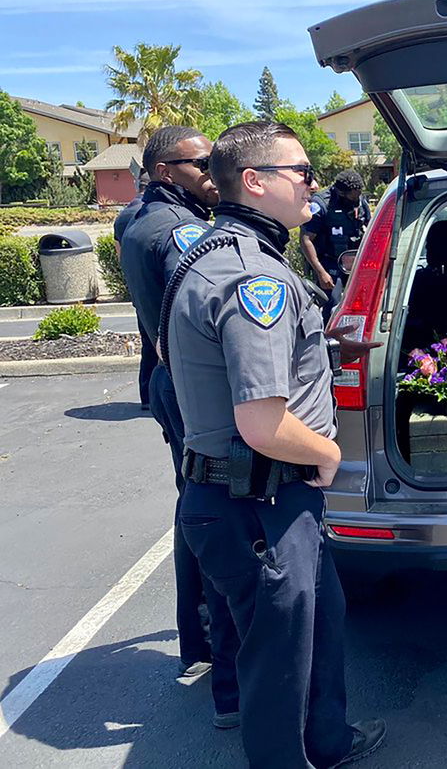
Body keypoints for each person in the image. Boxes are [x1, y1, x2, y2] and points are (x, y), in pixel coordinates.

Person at [163, 121, 385, 768]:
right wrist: (327, 452)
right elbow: (262, 423)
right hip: (258, 501)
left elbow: (170, 358)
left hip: (249, 495)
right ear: (256, 182)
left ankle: (330, 741)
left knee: (320, 623)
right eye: (302, 172)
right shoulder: (253, 278)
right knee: (277, 668)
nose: (312, 184)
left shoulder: (204, 257)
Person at [118, 126, 241, 726]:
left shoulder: (136, 217)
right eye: (201, 163)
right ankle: (218, 646)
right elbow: (202, 318)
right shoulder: (183, 232)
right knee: (214, 505)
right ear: (166, 170)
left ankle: (198, 640)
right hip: (192, 386)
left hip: (165, 384)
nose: (212, 172)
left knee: (194, 500)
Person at [300, 169, 371, 321]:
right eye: (354, 194)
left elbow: (370, 227)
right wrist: (320, 272)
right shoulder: (321, 204)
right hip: (330, 263)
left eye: (359, 193)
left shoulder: (360, 201)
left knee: (363, 306)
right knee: (332, 306)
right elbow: (306, 239)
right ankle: (329, 341)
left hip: (356, 262)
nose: (357, 198)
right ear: (341, 192)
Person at [113, 166, 154, 410]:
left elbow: (120, 257)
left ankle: (146, 396)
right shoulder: (150, 213)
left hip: (138, 287)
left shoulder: (123, 216)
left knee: (147, 343)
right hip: (159, 286)